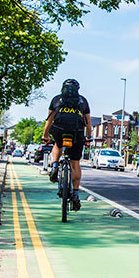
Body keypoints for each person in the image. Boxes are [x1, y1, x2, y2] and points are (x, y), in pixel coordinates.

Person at [41, 79, 92, 211]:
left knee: (58, 144)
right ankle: (75, 194)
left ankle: (55, 165)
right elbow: (88, 123)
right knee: (75, 163)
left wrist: (45, 136)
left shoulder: (56, 99)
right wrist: (88, 137)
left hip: (59, 130)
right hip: (77, 132)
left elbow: (49, 120)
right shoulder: (83, 101)